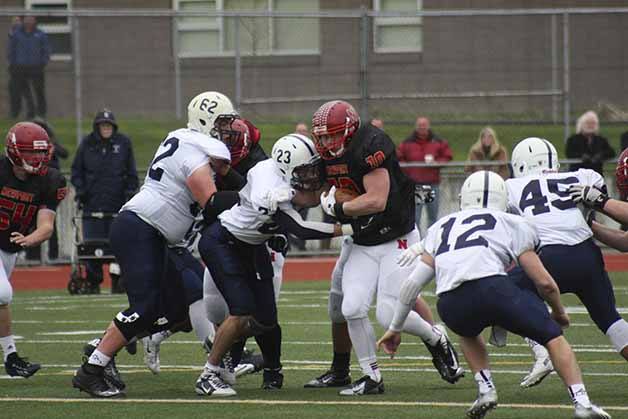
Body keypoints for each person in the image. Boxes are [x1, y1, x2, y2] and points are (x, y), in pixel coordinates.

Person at [377, 170, 611, 419]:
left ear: (463, 197)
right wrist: (558, 311)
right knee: (554, 338)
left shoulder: (441, 226)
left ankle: (486, 389)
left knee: (467, 331)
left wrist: (395, 327)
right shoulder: (513, 222)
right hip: (495, 290)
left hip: (451, 303)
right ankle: (582, 403)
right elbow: (544, 282)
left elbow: (412, 285)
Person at [71, 91, 236, 398]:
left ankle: (103, 346)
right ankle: (92, 370)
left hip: (154, 234)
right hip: (140, 228)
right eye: (222, 123)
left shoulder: (187, 142)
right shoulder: (193, 152)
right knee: (145, 308)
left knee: (176, 309)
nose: (227, 130)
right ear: (206, 121)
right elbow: (212, 203)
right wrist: (249, 198)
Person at [304, 101, 462, 396]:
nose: (326, 143)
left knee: (389, 315)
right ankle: (371, 376)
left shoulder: (371, 144)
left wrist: (338, 207)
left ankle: (436, 338)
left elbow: (376, 200)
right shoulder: (326, 155)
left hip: (396, 238)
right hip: (363, 240)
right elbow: (319, 187)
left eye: (332, 135)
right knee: (351, 307)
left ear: (349, 131)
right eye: (321, 137)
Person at [195, 133, 353, 396]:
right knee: (241, 310)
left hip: (252, 245)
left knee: (266, 319)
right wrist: (349, 228)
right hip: (224, 243)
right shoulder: (268, 189)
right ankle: (209, 373)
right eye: (305, 170)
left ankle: (223, 345)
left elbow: (311, 197)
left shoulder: (275, 173)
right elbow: (301, 228)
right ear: (287, 169)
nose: (312, 174)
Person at [505, 137, 628, 389]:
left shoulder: (510, 187)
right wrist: (590, 222)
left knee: (503, 292)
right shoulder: (582, 177)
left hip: (549, 258)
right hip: (587, 256)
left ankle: (541, 353)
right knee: (610, 319)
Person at [0, 122, 67, 378]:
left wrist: (31, 239)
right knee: (3, 294)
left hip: (9, 247)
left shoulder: (50, 180)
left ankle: (11, 358)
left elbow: (46, 226)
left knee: (1, 300)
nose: (37, 158)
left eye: (41, 152)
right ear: (15, 151)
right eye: (31, 152)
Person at [71, 109, 138, 293]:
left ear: (113, 127)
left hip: (117, 204)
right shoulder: (87, 144)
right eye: (103, 125)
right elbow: (76, 171)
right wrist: (81, 190)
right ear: (97, 127)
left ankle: (118, 280)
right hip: (92, 203)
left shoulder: (123, 144)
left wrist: (130, 193)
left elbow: (131, 172)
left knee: (118, 244)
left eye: (109, 125)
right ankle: (93, 281)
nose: (106, 128)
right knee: (92, 243)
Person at [397, 116, 452, 232]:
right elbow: (399, 157)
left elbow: (447, 156)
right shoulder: (407, 142)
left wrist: (437, 163)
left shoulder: (437, 141)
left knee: (432, 217)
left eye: (424, 125)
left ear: (428, 126)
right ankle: (417, 242)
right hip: (417, 185)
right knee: (416, 217)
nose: (422, 128)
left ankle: (430, 242)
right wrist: (409, 170)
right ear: (416, 127)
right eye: (420, 126)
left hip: (431, 183)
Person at [24, 118, 68, 261]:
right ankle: (33, 257)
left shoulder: (50, 145)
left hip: (50, 190)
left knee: (49, 225)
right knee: (32, 224)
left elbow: (64, 153)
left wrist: (52, 147)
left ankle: (53, 257)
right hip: (34, 190)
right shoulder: (30, 149)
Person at [7, 16, 50, 119]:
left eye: (31, 19)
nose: (29, 21)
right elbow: (11, 49)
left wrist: (43, 62)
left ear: (35, 20)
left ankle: (41, 113)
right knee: (18, 91)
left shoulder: (40, 34)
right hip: (19, 67)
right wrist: (12, 63)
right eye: (27, 18)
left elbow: (46, 50)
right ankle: (16, 113)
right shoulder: (17, 33)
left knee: (39, 90)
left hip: (36, 67)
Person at [566, 111, 615, 175]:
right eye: (588, 123)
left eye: (593, 123)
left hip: (596, 174)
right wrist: (581, 156)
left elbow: (611, 152)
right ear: (581, 124)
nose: (590, 125)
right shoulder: (573, 139)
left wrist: (601, 155)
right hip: (577, 174)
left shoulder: (601, 139)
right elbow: (569, 153)